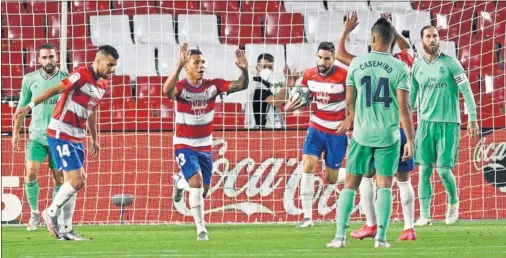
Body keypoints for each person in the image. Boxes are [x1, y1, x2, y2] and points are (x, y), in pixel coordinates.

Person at [14, 45, 120, 241]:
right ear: (98, 61)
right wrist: (29, 105)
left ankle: (66, 228)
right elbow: (56, 88)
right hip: (60, 130)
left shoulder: (102, 85)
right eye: (110, 65)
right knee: (77, 180)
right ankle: (50, 212)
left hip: (77, 135)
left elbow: (91, 110)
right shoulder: (81, 75)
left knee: (76, 182)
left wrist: (94, 138)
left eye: (114, 66)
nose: (112, 69)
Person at [327, 17, 415, 248]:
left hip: (362, 135)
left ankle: (339, 237)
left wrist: (353, 117)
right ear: (392, 40)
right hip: (389, 136)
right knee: (385, 184)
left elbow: (348, 96)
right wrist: (411, 140)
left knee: (351, 184)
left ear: (373, 38)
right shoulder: (401, 65)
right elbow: (404, 108)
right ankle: (382, 238)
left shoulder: (358, 62)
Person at [164, 43, 249, 240]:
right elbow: (166, 91)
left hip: (205, 145)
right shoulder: (181, 88)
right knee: (196, 183)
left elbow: (241, 85)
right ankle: (201, 230)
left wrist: (244, 70)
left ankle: (179, 183)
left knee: (202, 191)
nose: (201, 66)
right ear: (187, 66)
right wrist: (177, 66)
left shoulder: (213, 86)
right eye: (196, 62)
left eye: (203, 62)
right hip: (184, 144)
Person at [411, 26, 479, 226]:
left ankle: (453, 203)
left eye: (435, 36)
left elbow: (466, 90)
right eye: (428, 36)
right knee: (423, 170)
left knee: (442, 170)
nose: (432, 39)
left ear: (439, 40)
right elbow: (412, 97)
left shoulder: (451, 64)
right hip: (425, 125)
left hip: (448, 124)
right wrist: (405, 116)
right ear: (422, 40)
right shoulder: (417, 67)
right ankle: (424, 215)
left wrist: (472, 117)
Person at [285, 42, 348, 228]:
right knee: (308, 165)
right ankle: (307, 217)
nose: (322, 61)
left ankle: (355, 174)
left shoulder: (344, 77)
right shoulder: (309, 75)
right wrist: (291, 105)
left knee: (331, 178)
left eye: (327, 58)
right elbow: (303, 96)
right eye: (320, 57)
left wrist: (349, 120)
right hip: (316, 127)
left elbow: (355, 101)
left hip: (336, 131)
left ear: (334, 58)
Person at [12, 43, 68, 231]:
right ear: (39, 59)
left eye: (51, 57)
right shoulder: (30, 79)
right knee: (30, 173)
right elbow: (21, 109)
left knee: (59, 179)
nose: (48, 61)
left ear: (57, 57)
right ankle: (35, 213)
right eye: (44, 57)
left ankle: (53, 215)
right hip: (36, 136)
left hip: (59, 137)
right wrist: (15, 134)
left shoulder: (66, 79)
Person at [245, 53, 298, 129]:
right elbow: (277, 102)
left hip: (271, 131)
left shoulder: (270, 86)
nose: (267, 70)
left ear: (273, 69)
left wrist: (292, 82)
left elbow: (286, 101)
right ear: (257, 68)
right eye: (264, 67)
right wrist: (288, 81)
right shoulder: (256, 86)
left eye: (270, 67)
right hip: (257, 133)